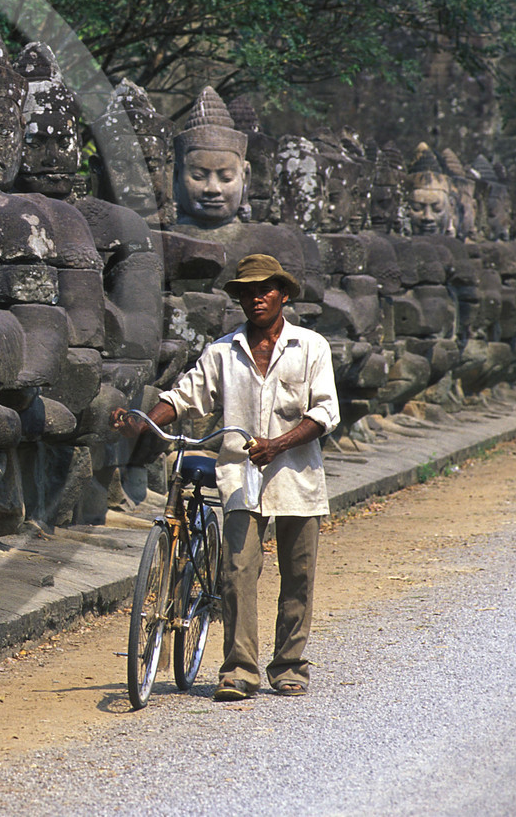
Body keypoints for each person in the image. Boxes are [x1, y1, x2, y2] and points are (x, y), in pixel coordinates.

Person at [113, 253, 338, 700]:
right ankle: (240, 670)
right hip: (241, 476)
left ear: (284, 294)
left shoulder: (311, 346)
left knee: (298, 575)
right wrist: (143, 421)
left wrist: (277, 444)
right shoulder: (222, 351)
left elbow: (325, 412)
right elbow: (184, 396)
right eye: (247, 292)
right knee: (237, 571)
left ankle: (289, 665)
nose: (256, 298)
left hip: (296, 474)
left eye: (265, 290)